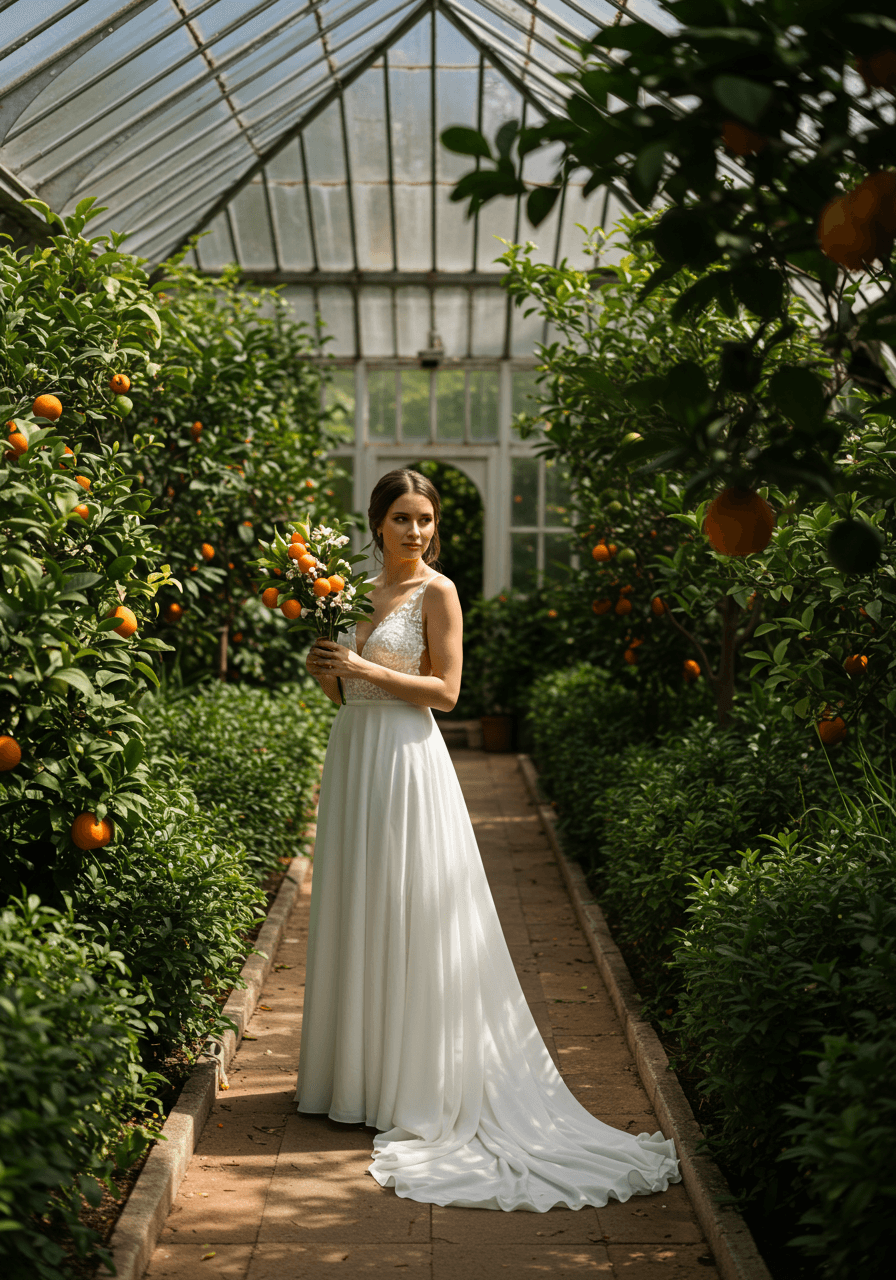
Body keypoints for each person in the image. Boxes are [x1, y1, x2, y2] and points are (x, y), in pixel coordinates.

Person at [295, 467, 680, 1211]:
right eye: (402, 518)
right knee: (360, 905)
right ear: (377, 522)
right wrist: (327, 673)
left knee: (412, 911)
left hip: (408, 760)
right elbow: (348, 689)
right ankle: (357, 1076)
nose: (416, 531)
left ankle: (416, 1083)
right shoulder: (345, 592)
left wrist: (363, 664)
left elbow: (447, 693)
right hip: (354, 754)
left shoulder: (437, 593)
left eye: (426, 519)